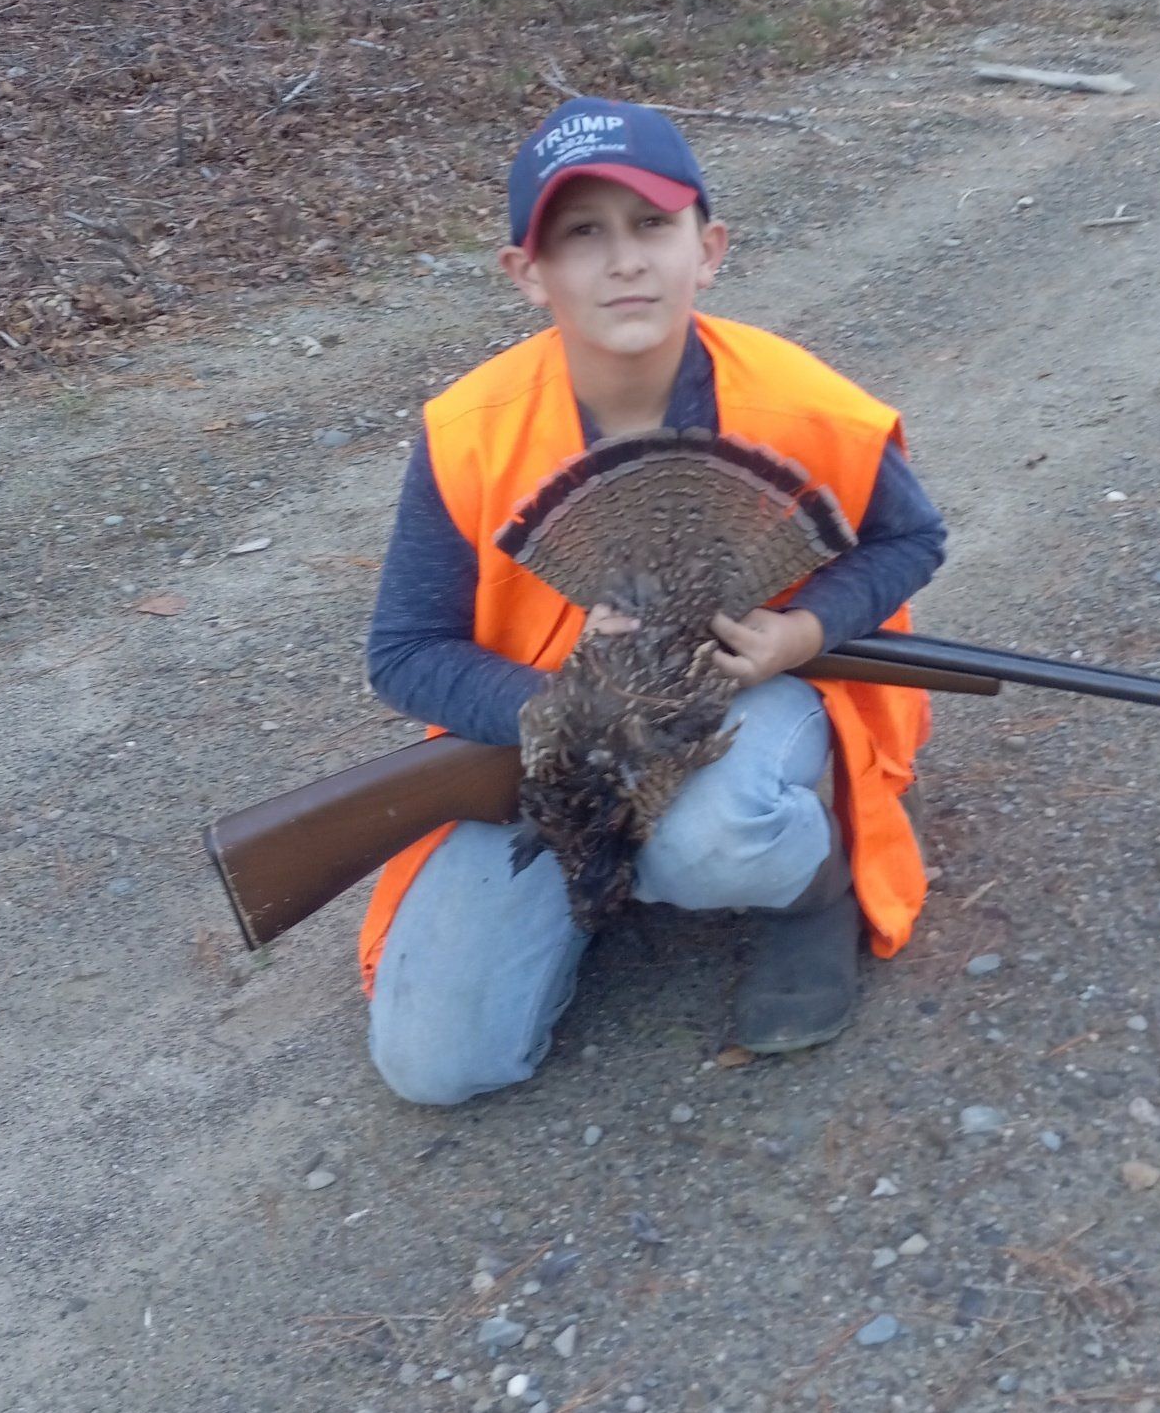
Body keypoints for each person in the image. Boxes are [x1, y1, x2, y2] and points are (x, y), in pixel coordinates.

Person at [360, 97, 947, 1105]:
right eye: (581, 233)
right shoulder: (470, 432)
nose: (624, 259)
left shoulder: (798, 403)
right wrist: (558, 712)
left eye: (652, 224)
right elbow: (405, 649)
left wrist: (798, 630)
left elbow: (913, 539)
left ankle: (812, 891)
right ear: (527, 273)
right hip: (547, 732)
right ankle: (600, 870)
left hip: (750, 692)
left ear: (706, 250)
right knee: (435, 1064)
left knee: (707, 836)